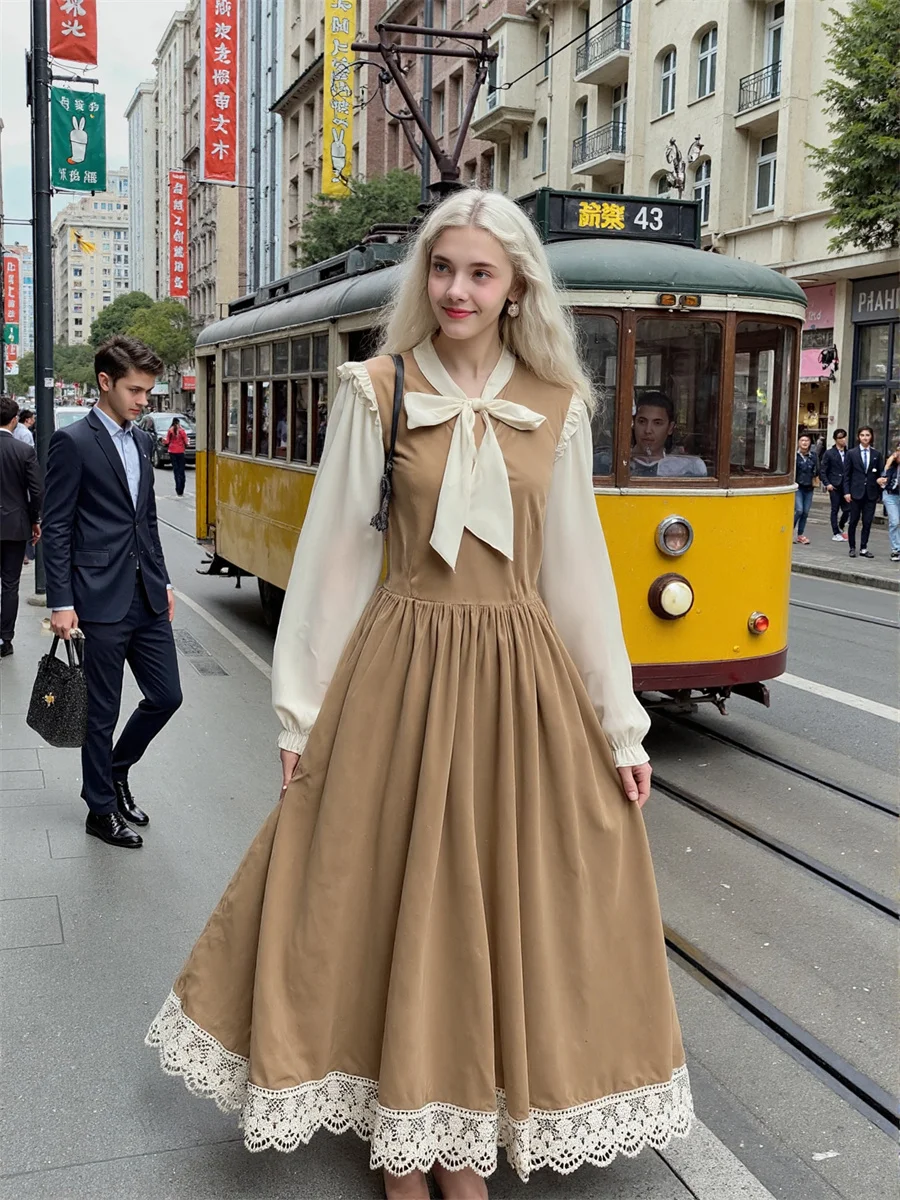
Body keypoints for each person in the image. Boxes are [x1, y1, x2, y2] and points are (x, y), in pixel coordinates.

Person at [145, 189, 692, 1199]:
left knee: (502, 906)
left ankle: (465, 1131)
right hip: (401, 670)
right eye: (443, 270)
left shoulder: (559, 408)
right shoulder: (377, 390)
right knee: (389, 897)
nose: (457, 289)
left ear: (516, 283)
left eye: (479, 272)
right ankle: (413, 1143)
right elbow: (332, 564)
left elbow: (577, 577)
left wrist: (621, 726)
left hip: (521, 686)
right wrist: (300, 711)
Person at [42, 335, 183, 850]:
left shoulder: (143, 440)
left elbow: (146, 520)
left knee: (167, 695)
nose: (144, 401)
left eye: (147, 391)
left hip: (145, 596)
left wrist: (164, 581)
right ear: (105, 383)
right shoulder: (73, 442)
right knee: (100, 711)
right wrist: (61, 602)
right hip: (97, 599)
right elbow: (56, 527)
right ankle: (99, 809)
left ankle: (116, 771)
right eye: (135, 390)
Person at [0, 395, 43, 658]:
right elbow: (37, 491)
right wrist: (34, 520)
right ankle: (5, 638)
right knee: (10, 584)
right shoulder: (24, 451)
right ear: (15, 420)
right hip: (15, 526)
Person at [629, 391, 708, 477]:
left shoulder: (687, 468)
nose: (648, 430)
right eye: (642, 422)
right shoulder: (617, 465)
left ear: (670, 428)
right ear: (633, 423)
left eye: (657, 423)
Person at [842, 425, 884, 559]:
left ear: (871, 437)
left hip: (870, 493)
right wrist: (846, 492)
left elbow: (880, 473)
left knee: (867, 521)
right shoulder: (851, 453)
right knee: (853, 521)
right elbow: (846, 475)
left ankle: (864, 547)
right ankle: (852, 547)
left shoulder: (876, 454)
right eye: (862, 435)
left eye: (867, 435)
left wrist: (879, 484)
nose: (865, 438)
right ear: (858, 437)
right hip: (855, 492)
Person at [820, 428, 850, 541]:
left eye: (844, 437)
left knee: (847, 509)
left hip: (846, 485)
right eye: (840, 438)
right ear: (835, 439)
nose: (843, 440)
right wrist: (827, 483)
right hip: (834, 485)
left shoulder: (849, 452)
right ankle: (835, 531)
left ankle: (841, 525)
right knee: (835, 509)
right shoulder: (829, 453)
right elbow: (823, 470)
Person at [792, 433, 819, 544]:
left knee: (805, 512)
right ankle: (790, 531)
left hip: (809, 487)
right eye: (802, 440)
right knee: (799, 510)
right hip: (798, 486)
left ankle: (800, 535)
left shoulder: (813, 456)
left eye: (807, 440)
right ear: (798, 442)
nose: (804, 443)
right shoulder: (794, 456)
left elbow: (818, 470)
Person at [878, 439, 900, 562]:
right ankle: (896, 549)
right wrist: (889, 462)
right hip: (890, 495)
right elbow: (882, 478)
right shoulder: (891, 465)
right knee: (895, 521)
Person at [162, 417, 188, 496]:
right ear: (179, 422)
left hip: (172, 452)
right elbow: (186, 441)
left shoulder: (170, 430)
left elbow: (167, 441)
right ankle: (181, 488)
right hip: (180, 451)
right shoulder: (182, 431)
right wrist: (184, 446)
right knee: (182, 471)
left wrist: (163, 441)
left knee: (176, 471)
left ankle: (178, 488)